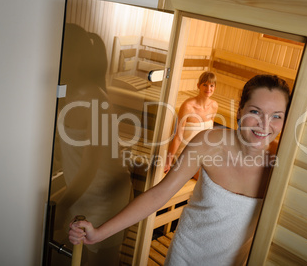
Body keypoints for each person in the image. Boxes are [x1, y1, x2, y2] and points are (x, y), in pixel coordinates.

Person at [69, 74, 291, 265]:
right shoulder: (208, 142)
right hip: (186, 256)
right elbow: (158, 194)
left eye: (276, 116)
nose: (264, 124)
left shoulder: (283, 165)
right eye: (255, 111)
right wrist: (99, 234)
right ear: (240, 110)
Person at [55, 24, 132, 266]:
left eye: (61, 52)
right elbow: (66, 151)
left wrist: (62, 205)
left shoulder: (96, 99)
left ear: (74, 57)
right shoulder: (67, 93)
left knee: (101, 262)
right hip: (83, 193)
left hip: (106, 197)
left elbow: (90, 166)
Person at [164, 71, 218, 174]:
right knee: (206, 175)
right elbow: (178, 137)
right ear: (198, 86)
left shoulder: (214, 106)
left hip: (202, 152)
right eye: (205, 85)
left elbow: (209, 134)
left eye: (211, 85)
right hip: (185, 153)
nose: (208, 89)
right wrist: (168, 161)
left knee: (221, 170)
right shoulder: (188, 106)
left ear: (215, 88)